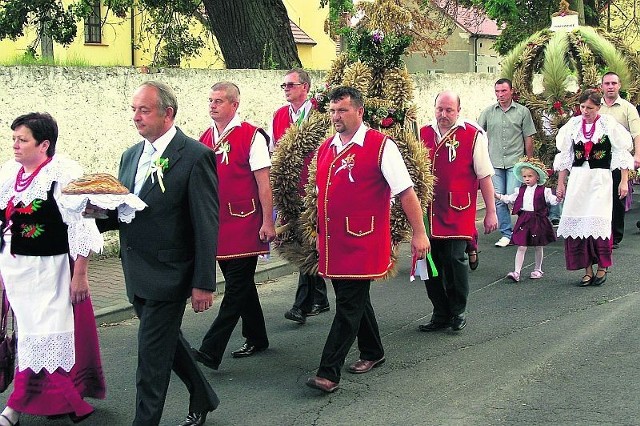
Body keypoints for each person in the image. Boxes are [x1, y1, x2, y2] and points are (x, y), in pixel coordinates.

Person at [96, 81, 220, 426]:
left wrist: (203, 283)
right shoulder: (130, 155)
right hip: (136, 271)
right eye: (134, 109)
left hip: (171, 273)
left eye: (144, 110)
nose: (136, 116)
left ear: (168, 113)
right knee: (168, 343)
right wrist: (93, 213)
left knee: (150, 358)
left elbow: (206, 224)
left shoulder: (195, 156)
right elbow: (125, 211)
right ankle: (203, 395)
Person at [305, 86, 429, 393]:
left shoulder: (380, 146)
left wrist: (419, 233)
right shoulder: (327, 148)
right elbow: (322, 197)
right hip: (335, 243)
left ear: (359, 112)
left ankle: (328, 372)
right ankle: (373, 351)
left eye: (343, 110)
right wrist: (320, 235)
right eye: (332, 111)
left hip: (363, 239)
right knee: (355, 299)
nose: (336, 116)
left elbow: (405, 192)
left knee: (348, 305)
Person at [0, 112, 105, 425]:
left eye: (23, 140)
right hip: (16, 271)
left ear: (44, 144)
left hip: (51, 270)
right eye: (14, 139)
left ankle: (17, 407)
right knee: (31, 335)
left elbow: (83, 225)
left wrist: (81, 274)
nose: (15, 146)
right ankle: (62, 399)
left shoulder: (64, 175)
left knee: (43, 336)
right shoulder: (9, 173)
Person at [193, 81, 274, 370]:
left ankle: (210, 348)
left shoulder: (252, 136)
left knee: (236, 289)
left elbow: (264, 183)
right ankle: (257, 336)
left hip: (245, 221)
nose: (212, 105)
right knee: (243, 286)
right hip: (218, 224)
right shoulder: (204, 137)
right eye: (210, 100)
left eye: (218, 101)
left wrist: (267, 221)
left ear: (234, 105)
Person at [419, 91, 498, 332]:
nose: (443, 115)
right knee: (430, 263)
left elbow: (484, 176)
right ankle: (439, 312)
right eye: (440, 109)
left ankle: (458, 311)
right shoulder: (423, 133)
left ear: (458, 111)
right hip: (429, 210)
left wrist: (491, 211)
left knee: (455, 260)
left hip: (458, 209)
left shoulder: (473, 136)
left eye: (449, 110)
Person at [554, 89, 633, 287]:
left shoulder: (607, 124)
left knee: (599, 222)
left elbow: (621, 153)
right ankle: (587, 269)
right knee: (579, 222)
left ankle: (602, 267)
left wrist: (624, 181)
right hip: (579, 180)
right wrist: (561, 183)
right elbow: (566, 156)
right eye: (582, 107)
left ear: (598, 107)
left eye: (590, 107)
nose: (585, 111)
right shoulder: (573, 126)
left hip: (600, 180)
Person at [270, 68, 330, 325]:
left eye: (291, 85)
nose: (286, 89)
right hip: (289, 188)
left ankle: (301, 305)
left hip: (313, 186)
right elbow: (275, 150)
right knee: (302, 241)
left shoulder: (319, 113)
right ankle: (321, 298)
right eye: (284, 85)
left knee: (309, 239)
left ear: (305, 87)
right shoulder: (279, 116)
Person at [478, 78, 536, 247]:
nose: (500, 95)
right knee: (497, 199)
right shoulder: (488, 112)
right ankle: (506, 234)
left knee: (514, 197)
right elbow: (478, 134)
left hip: (515, 163)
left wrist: (529, 162)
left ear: (511, 91)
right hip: (494, 163)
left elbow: (528, 137)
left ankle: (522, 230)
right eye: (497, 91)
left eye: (503, 91)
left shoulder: (523, 112)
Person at [495, 156, 558, 282]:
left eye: (530, 176)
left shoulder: (544, 191)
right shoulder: (520, 190)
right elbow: (510, 199)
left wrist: (559, 198)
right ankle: (517, 272)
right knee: (521, 245)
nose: (527, 179)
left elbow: (553, 201)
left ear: (538, 177)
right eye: (525, 177)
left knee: (538, 246)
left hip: (538, 220)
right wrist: (498, 196)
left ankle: (538, 269)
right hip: (524, 220)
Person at [599, 72, 640, 249]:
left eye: (613, 83)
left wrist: (637, 156)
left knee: (618, 196)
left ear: (619, 86)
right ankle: (600, 232)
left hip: (619, 159)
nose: (610, 86)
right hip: (598, 158)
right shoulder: (595, 106)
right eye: (607, 83)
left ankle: (615, 236)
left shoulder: (627, 108)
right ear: (601, 86)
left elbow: (636, 133)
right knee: (600, 196)